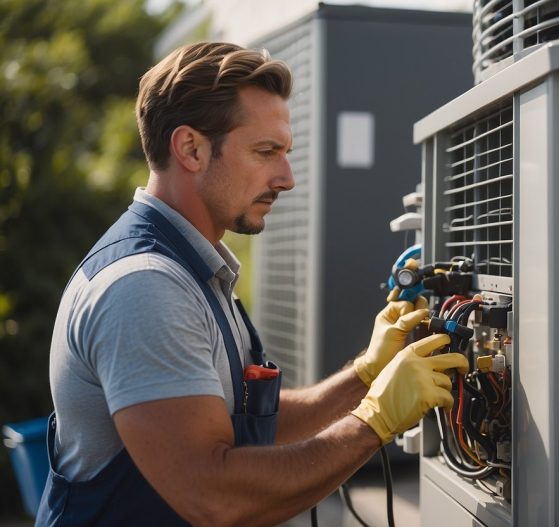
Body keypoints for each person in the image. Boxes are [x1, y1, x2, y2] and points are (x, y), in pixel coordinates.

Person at [37, 42, 467, 526]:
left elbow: (237, 423)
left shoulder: (194, 269)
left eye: (285, 153)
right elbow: (214, 495)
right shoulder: (144, 288)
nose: (287, 178)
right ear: (191, 149)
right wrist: (374, 422)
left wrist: (365, 376)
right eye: (266, 152)